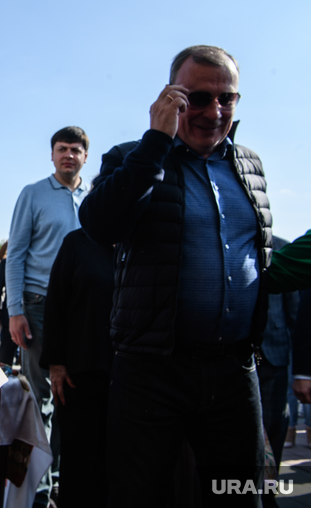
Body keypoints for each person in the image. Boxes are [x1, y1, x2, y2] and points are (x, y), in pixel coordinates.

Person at [79, 45, 271, 506]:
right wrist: (155, 143)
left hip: (233, 371)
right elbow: (101, 225)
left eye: (228, 98)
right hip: (152, 370)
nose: (215, 111)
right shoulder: (134, 157)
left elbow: (256, 257)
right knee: (138, 494)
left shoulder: (250, 166)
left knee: (240, 493)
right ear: (171, 98)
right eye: (199, 98)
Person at [5, 126, 90, 507]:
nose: (68, 155)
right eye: (62, 149)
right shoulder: (33, 194)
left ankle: (65, 480)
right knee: (41, 400)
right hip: (38, 308)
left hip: (83, 312)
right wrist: (16, 311)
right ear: (52, 155)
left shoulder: (96, 198)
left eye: (75, 149)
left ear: (85, 156)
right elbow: (17, 253)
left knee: (75, 397)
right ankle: (39, 488)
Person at [39, 229, 113, 508]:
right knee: (80, 460)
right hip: (78, 373)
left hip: (128, 376)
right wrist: (56, 363)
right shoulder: (77, 242)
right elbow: (55, 301)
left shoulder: (140, 240)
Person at [256, 237, 298, 508]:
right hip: (235, 353)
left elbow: (293, 311)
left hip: (274, 356)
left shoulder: (283, 248)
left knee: (274, 427)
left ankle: (267, 493)